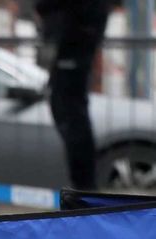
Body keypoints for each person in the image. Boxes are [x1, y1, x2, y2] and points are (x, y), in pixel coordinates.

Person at [38, 0, 115, 190]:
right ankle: (82, 184)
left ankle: (84, 185)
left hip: (75, 37)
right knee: (66, 110)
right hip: (73, 36)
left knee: (72, 114)